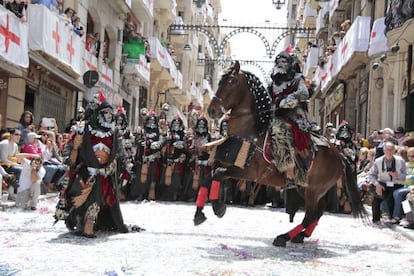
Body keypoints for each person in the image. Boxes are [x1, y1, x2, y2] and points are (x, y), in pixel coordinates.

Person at [54, 92, 141, 237]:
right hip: (86, 172)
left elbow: (119, 151)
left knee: (99, 199)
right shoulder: (83, 128)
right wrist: (70, 155)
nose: (108, 116)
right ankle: (84, 224)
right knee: (83, 200)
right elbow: (70, 147)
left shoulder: (113, 132)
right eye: (105, 113)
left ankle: (91, 225)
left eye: (110, 113)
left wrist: (126, 165)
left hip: (105, 174)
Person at [267, 51, 311, 188]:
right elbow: (268, 99)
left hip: (293, 115)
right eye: (278, 62)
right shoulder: (271, 84)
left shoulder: (297, 79)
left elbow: (304, 94)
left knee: (279, 132)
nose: (280, 64)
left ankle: (290, 175)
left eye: (283, 62)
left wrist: (288, 100)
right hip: (274, 114)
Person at [192, 116, 226, 225]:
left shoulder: (214, 137)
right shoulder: (214, 138)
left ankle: (203, 209)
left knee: (208, 182)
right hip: (214, 165)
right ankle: (201, 210)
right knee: (205, 183)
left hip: (218, 164)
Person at [369, 142, 407, 224]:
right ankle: (376, 219)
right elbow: (372, 176)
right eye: (387, 150)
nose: (389, 152)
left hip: (397, 184)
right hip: (383, 183)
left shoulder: (401, 161)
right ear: (384, 150)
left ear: (394, 151)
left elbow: (405, 176)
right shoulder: (378, 161)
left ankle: (393, 217)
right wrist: (377, 184)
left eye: (391, 150)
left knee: (391, 196)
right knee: (376, 198)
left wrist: (398, 175)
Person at [390, 147, 414, 225]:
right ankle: (388, 213)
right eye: (409, 156)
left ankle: (397, 216)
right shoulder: (406, 164)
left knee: (400, 193)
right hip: (405, 185)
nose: (411, 158)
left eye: (413, 156)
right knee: (393, 191)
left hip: (411, 186)